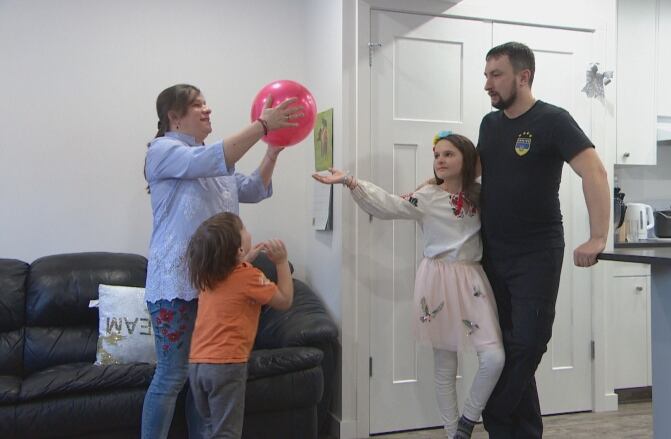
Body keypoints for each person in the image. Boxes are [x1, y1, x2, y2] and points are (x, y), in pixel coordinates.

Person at [314, 132, 505, 439]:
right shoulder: (426, 197)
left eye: (448, 154)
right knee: (445, 363)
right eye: (437, 155)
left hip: (471, 282)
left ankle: (468, 420)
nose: (439, 160)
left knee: (494, 357)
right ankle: (453, 432)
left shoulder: (480, 196)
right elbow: (387, 205)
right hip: (438, 281)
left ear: (466, 159)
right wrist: (350, 181)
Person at [141, 83, 302, 438]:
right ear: (174, 116)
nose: (207, 109)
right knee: (171, 375)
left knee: (204, 371)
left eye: (206, 103)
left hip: (216, 285)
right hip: (176, 285)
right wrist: (263, 124)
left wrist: (272, 151)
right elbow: (212, 159)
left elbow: (254, 189)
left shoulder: (216, 159)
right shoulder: (163, 151)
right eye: (197, 105)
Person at [477, 42, 610, 438]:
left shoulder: (553, 120)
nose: (487, 84)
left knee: (529, 344)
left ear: (524, 76)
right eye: (485, 75)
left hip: (537, 252)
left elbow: (595, 172)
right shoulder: (490, 124)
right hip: (492, 253)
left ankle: (491, 415)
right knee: (505, 348)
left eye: (495, 74)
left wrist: (598, 236)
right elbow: (472, 175)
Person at [185, 212, 293, 439]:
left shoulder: (208, 276)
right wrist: (282, 262)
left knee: (208, 429)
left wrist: (244, 260)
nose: (248, 231)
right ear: (238, 250)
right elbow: (284, 300)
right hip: (226, 364)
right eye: (243, 228)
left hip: (197, 365)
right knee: (227, 433)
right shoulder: (249, 277)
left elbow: (231, 280)